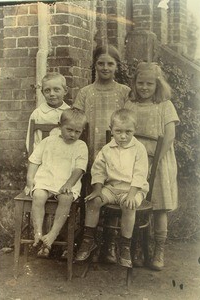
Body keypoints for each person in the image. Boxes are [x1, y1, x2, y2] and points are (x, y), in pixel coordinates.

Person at [73, 44, 131, 263]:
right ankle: (89, 241)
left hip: (118, 156)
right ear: (94, 65)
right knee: (93, 196)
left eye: (110, 63)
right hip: (91, 154)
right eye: (101, 63)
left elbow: (130, 124)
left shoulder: (124, 92)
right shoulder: (85, 93)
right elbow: (76, 122)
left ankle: (111, 243)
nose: (105, 68)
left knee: (116, 194)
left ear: (117, 66)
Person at [75, 108, 149, 268]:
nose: (123, 136)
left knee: (129, 205)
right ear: (111, 129)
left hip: (132, 189)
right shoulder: (107, 149)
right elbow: (98, 170)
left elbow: (140, 173)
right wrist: (98, 189)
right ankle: (88, 240)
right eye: (118, 131)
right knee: (94, 201)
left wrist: (131, 194)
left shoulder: (139, 149)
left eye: (128, 132)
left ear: (135, 130)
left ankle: (125, 246)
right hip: (111, 188)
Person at [125, 62, 179, 270]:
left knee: (158, 207)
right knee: (137, 205)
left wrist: (153, 163)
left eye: (149, 84)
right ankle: (139, 246)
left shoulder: (165, 106)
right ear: (134, 83)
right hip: (135, 162)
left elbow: (169, 137)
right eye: (140, 83)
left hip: (159, 162)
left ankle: (159, 250)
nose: (144, 88)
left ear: (158, 85)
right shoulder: (130, 105)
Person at [24, 108, 88, 258]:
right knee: (38, 195)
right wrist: (29, 179)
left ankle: (52, 234)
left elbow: (79, 168)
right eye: (69, 130)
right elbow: (34, 161)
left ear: (82, 131)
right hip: (46, 179)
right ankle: (38, 232)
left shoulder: (80, 146)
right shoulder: (48, 141)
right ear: (60, 126)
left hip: (66, 183)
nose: (73, 135)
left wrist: (69, 184)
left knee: (66, 198)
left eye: (77, 132)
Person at [25, 72, 70, 151]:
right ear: (42, 93)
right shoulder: (37, 114)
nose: (52, 94)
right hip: (42, 159)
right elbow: (30, 142)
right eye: (47, 90)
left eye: (56, 90)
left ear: (65, 91)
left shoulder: (70, 113)